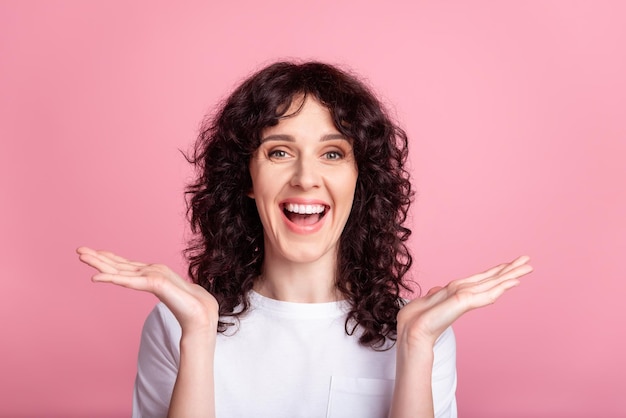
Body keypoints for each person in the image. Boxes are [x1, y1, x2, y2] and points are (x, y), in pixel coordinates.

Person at [77, 61, 532, 418]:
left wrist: (414, 349)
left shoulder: (420, 332)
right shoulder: (178, 323)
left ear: (361, 179)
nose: (305, 178)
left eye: (332, 153)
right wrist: (196, 337)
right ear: (247, 177)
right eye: (279, 152)